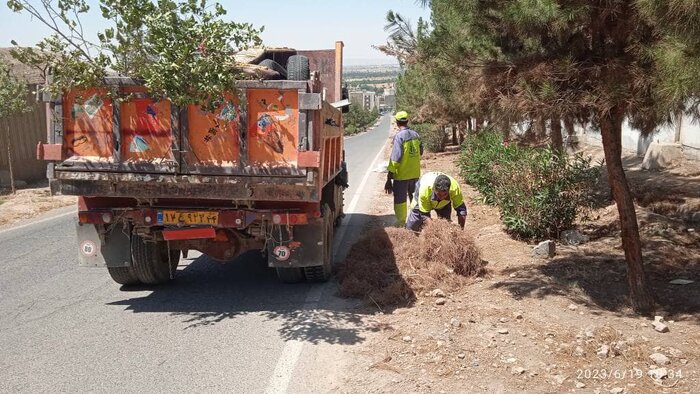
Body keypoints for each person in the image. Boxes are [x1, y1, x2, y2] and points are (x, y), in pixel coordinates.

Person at [385, 110, 423, 226]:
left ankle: (401, 224)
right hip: (415, 174)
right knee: (415, 200)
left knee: (400, 201)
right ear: (407, 121)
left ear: (397, 122)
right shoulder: (416, 135)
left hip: (401, 176)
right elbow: (420, 152)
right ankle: (415, 223)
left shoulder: (399, 137)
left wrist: (389, 177)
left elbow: (395, 159)